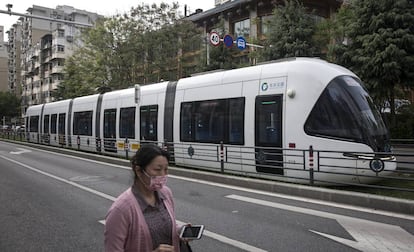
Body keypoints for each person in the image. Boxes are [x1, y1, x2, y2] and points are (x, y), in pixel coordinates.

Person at [104, 144, 184, 252]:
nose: (163, 175)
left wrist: (180, 231)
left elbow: (166, 224)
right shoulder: (121, 210)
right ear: (138, 171)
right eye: (157, 169)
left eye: (166, 169)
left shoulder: (166, 193)